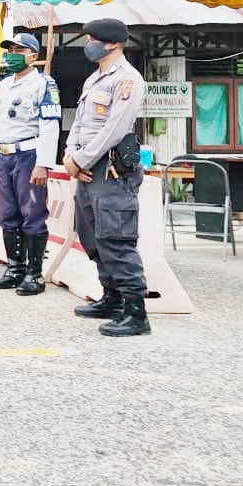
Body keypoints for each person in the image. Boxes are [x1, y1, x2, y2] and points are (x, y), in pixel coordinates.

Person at [64, 18, 151, 337]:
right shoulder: (94, 79)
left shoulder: (127, 79)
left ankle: (135, 312)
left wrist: (82, 158)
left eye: (92, 39)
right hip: (86, 169)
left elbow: (115, 127)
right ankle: (111, 297)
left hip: (110, 170)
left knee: (116, 238)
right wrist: (69, 154)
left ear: (112, 43)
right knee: (93, 235)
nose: (88, 44)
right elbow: (79, 121)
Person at [0, 33, 60, 295]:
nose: (12, 54)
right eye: (10, 49)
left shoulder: (43, 84)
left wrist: (44, 163)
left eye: (19, 50)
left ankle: (34, 273)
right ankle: (14, 268)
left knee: (33, 214)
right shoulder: (4, 85)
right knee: (8, 214)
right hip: (4, 156)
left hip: (28, 155)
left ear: (33, 56)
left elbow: (50, 125)